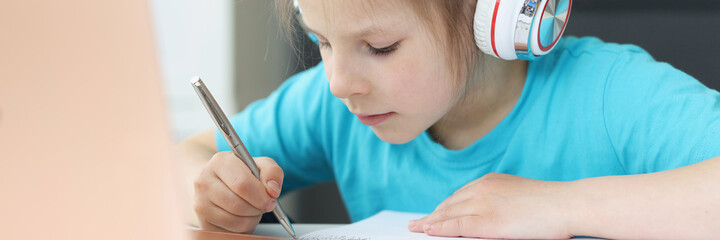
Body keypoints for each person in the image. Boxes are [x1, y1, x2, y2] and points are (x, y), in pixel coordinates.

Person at [177, 0, 720, 239]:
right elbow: (186, 156)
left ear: (491, 18)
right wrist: (212, 191)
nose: (340, 82)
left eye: (380, 46)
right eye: (320, 41)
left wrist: (559, 206)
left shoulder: (609, 93)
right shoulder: (332, 105)